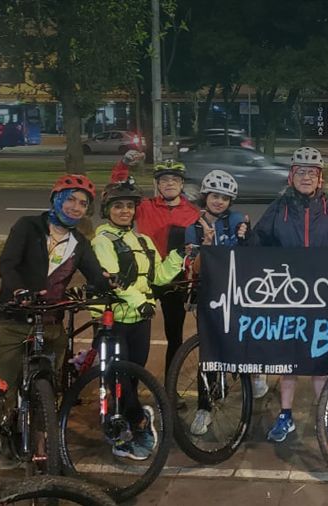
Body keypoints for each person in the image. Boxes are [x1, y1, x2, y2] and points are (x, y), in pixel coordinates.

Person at [251, 147, 328, 444]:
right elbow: (257, 244)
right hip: (288, 297)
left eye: (312, 173)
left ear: (320, 179)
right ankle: (286, 416)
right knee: (289, 361)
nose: (306, 177)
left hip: (322, 297)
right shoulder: (278, 208)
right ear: (291, 176)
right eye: (301, 172)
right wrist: (240, 239)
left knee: (320, 362)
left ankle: (324, 416)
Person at [0, 175, 109, 410]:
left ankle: (43, 441)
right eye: (71, 199)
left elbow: (95, 273)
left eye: (83, 204)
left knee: (49, 392)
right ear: (56, 199)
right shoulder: (28, 226)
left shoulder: (79, 242)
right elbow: (8, 265)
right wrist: (19, 290)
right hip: (15, 321)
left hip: (52, 324)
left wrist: (108, 282)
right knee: (2, 393)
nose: (76, 207)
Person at [91, 178, 186, 460]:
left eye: (129, 207)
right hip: (113, 320)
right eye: (118, 206)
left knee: (132, 376)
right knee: (118, 376)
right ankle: (135, 423)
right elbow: (112, 279)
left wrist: (180, 256)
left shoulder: (142, 240)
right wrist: (139, 301)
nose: (124, 211)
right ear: (107, 209)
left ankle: (123, 421)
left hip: (140, 320)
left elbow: (158, 276)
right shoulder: (102, 240)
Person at [111, 157, 200, 379]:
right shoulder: (144, 206)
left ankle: (170, 388)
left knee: (174, 336)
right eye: (164, 180)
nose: (169, 183)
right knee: (132, 332)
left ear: (181, 184)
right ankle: (127, 385)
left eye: (174, 179)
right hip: (144, 276)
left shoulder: (193, 213)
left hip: (174, 277)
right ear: (158, 185)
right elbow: (117, 187)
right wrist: (124, 163)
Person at [184, 170, 252, 436]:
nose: (219, 202)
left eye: (225, 198)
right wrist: (206, 246)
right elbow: (194, 268)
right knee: (209, 353)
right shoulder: (194, 227)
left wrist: (247, 235)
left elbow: (249, 255)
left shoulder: (237, 220)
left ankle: (251, 377)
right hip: (209, 294)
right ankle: (204, 407)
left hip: (236, 293)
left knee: (243, 339)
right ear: (205, 196)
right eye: (215, 196)